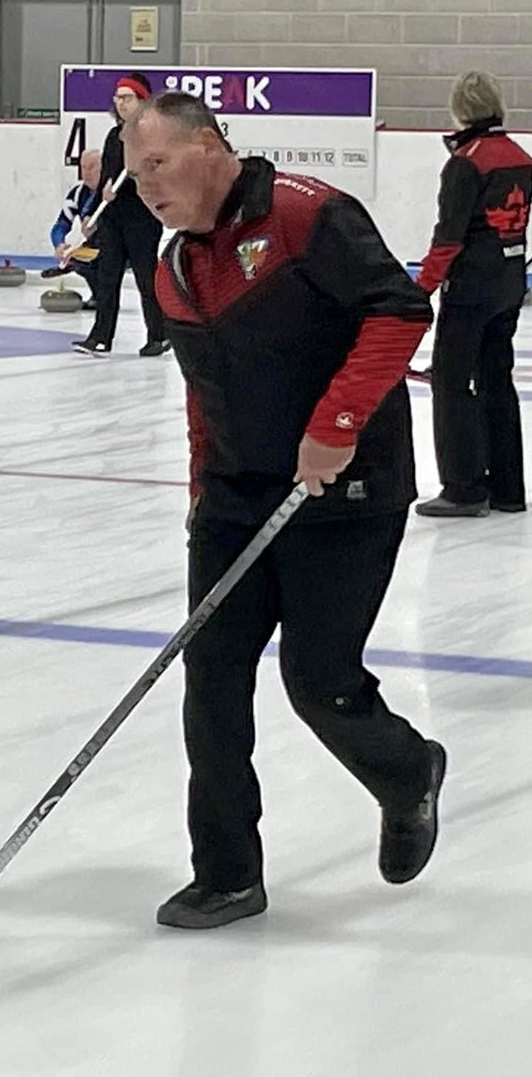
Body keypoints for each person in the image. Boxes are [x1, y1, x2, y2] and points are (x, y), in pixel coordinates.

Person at [122, 91, 446, 930]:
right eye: (134, 172)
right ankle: (227, 873)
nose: (145, 185)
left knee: (319, 683)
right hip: (235, 499)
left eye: (157, 164)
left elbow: (400, 309)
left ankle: (407, 772)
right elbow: (204, 392)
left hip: (345, 493)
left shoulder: (307, 217)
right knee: (212, 683)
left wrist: (337, 424)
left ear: (209, 146)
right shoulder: (174, 267)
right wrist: (202, 487)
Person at [413, 71, 529, 517]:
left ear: (460, 111)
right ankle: (508, 488)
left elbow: (449, 238)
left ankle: (463, 487)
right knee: (497, 379)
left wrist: (421, 289)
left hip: (471, 287)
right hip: (509, 281)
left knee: (451, 381)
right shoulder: (519, 156)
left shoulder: (466, 162)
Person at [73, 74, 166, 358]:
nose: (120, 103)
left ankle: (158, 335)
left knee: (145, 278)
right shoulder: (115, 137)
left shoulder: (152, 138)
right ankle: (101, 337)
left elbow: (156, 176)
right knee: (107, 277)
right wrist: (93, 212)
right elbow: (107, 178)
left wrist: (132, 183)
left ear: (142, 101)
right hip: (113, 218)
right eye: (118, 97)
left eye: (127, 97)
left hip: (141, 218)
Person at [50, 148, 101, 309]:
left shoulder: (116, 192)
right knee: (76, 257)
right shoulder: (78, 193)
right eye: (83, 167)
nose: (86, 172)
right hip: (94, 246)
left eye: (91, 167)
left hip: (121, 246)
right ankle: (99, 296)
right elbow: (61, 224)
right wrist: (59, 244)